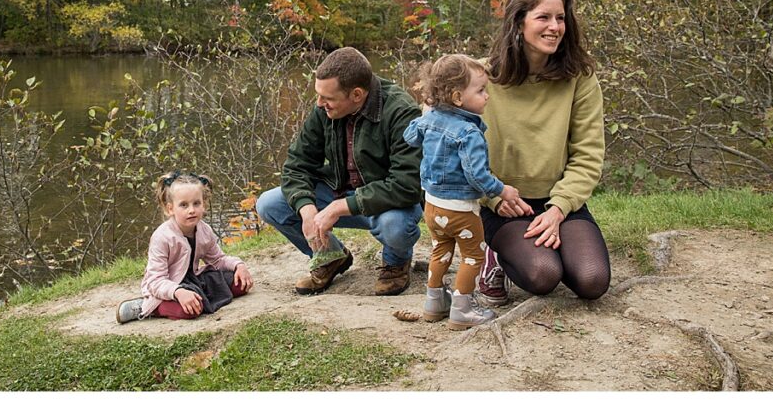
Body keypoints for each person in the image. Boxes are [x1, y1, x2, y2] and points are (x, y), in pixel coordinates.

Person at [476, 0, 611, 306]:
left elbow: (588, 155)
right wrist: (492, 196)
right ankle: (492, 256)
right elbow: (453, 149)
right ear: (518, 23)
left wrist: (558, 210)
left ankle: (553, 244)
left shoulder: (580, 78)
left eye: (561, 18)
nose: (555, 27)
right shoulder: (479, 78)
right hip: (505, 204)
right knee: (542, 274)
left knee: (592, 279)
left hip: (558, 203)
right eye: (543, 17)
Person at [256, 47, 423, 296]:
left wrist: (338, 208)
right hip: (339, 190)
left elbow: (406, 185)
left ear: (356, 94)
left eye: (328, 98)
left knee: (395, 227)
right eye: (319, 95)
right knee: (270, 204)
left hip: (387, 204)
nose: (319, 103)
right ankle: (330, 256)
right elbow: (296, 165)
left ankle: (395, 262)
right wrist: (307, 209)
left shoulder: (401, 111)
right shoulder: (324, 110)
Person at [403, 54, 527, 330]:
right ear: (458, 97)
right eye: (481, 91)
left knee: (440, 250)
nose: (487, 97)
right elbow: (477, 175)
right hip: (460, 210)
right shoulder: (469, 133)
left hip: (432, 207)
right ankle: (463, 308)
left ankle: (434, 301)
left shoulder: (430, 118)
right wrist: (502, 190)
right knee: (473, 256)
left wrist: (427, 109)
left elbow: (409, 136)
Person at [116, 171, 253, 323]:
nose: (191, 210)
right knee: (192, 310)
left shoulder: (204, 230)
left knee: (240, 284)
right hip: (167, 286)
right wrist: (178, 291)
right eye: (183, 205)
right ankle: (150, 307)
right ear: (170, 209)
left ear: (204, 204)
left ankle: (194, 296)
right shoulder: (162, 237)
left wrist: (238, 265)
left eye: (196, 203)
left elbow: (217, 260)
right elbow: (155, 281)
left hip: (193, 280)